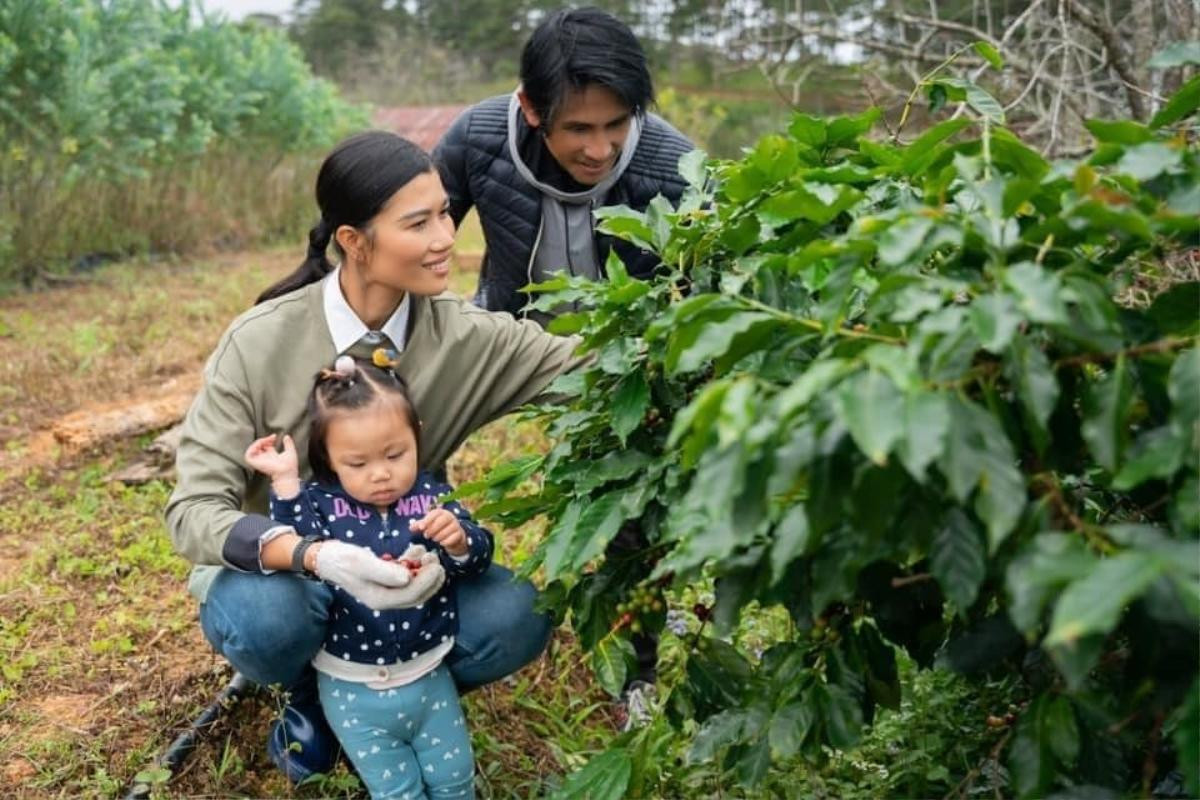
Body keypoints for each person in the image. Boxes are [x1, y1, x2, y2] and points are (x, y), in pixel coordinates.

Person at [166, 131, 583, 784]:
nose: (446, 236)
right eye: (418, 222)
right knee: (269, 620)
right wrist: (313, 554)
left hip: (402, 574)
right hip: (286, 583)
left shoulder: (464, 340)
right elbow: (192, 511)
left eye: (445, 212)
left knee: (517, 615)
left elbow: (595, 364)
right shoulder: (260, 343)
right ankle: (313, 695)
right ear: (354, 241)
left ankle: (386, 690)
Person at [244, 356, 489, 799]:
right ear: (331, 461)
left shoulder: (432, 496)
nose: (380, 473)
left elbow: (476, 559)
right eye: (357, 463)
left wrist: (458, 541)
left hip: (430, 676)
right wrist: (284, 481)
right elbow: (298, 542)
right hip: (350, 687)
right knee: (396, 791)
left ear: (417, 434)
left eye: (396, 454)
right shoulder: (321, 503)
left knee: (455, 782)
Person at [433, 6, 694, 322]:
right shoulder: (478, 138)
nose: (599, 151)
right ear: (531, 107)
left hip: (628, 359)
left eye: (616, 123)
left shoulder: (678, 167)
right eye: (578, 129)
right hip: (509, 350)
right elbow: (408, 227)